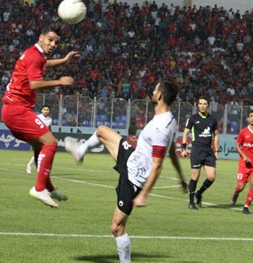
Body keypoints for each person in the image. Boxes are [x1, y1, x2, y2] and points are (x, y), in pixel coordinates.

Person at [65, 80, 186, 263]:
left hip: (134, 179)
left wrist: (143, 195)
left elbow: (158, 165)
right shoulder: (169, 119)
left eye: (155, 89)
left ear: (160, 95)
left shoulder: (161, 127)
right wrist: (181, 177)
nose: (153, 91)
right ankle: (80, 151)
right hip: (132, 157)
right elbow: (172, 150)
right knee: (102, 131)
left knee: (116, 227)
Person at [2, 24, 80, 208]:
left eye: (56, 42)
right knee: (51, 143)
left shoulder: (35, 54)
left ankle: (48, 187)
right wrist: (59, 82)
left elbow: (44, 63)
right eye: (50, 40)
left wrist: (64, 60)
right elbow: (34, 84)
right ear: (41, 37)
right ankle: (39, 188)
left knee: (40, 146)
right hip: (17, 110)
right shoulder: (35, 56)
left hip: (14, 109)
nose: (52, 44)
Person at [181, 97, 219, 209]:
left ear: (208, 105)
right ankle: (191, 202)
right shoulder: (193, 118)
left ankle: (199, 193)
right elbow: (185, 133)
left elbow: (216, 135)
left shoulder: (212, 119)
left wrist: (216, 151)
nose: (202, 106)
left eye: (205, 104)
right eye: (200, 104)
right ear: (198, 105)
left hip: (208, 151)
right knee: (195, 177)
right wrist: (184, 149)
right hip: (197, 151)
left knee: (212, 177)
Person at [229, 110, 253, 214]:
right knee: (241, 186)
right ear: (248, 119)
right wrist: (244, 156)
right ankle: (236, 193)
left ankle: (246, 206)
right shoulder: (243, 132)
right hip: (244, 163)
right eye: (251, 116)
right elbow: (237, 146)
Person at [26, 105, 52, 174]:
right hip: (38, 137)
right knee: (41, 152)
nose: (46, 111)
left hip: (45, 137)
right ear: (42, 110)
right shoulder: (38, 117)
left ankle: (32, 165)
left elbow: (49, 129)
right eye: (44, 109)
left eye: (47, 110)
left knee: (43, 153)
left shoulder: (50, 119)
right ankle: (34, 166)